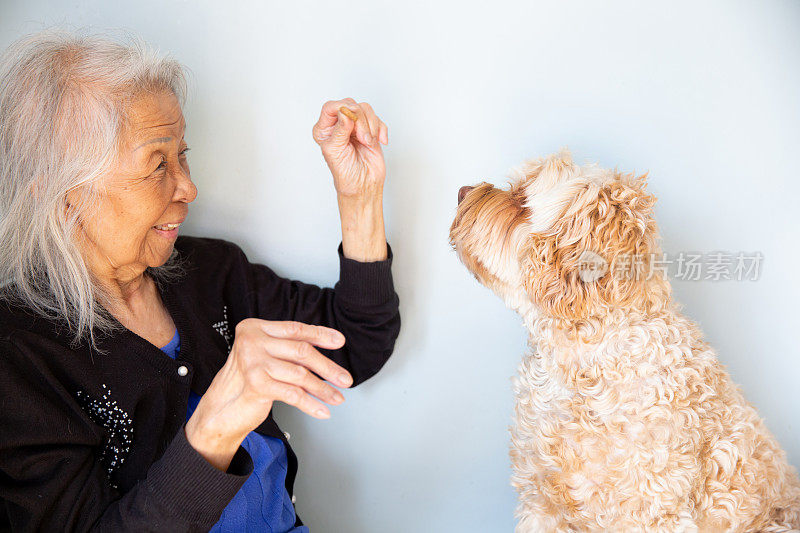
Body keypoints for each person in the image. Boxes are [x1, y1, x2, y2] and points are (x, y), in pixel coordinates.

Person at [0, 30, 400, 532]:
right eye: (156, 166)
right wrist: (215, 427)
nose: (189, 187)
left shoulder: (210, 274)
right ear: (62, 197)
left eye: (181, 154)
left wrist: (360, 198)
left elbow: (357, 343)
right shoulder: (19, 355)